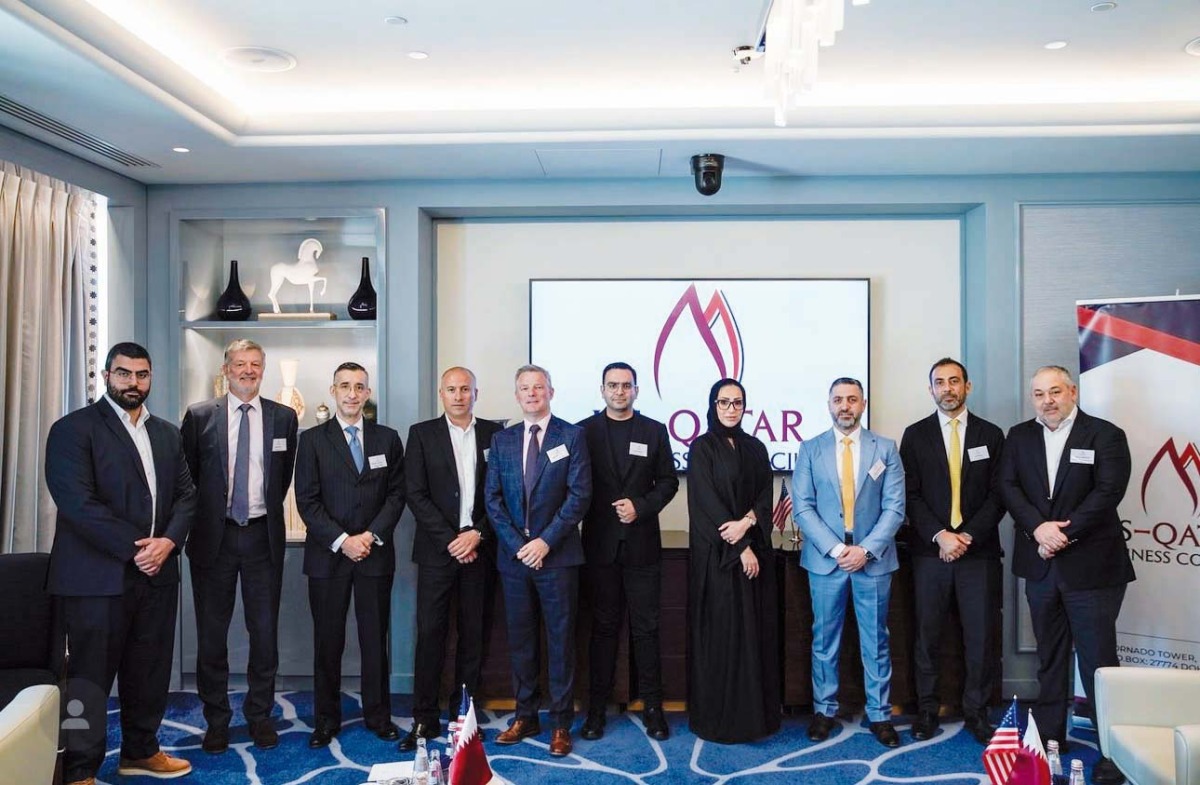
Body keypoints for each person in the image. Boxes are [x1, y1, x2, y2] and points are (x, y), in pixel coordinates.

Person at [46, 342, 197, 785]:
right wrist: (139, 550)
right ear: (106, 376)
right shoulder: (73, 430)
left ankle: (141, 751)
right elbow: (77, 503)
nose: (134, 382)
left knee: (149, 671)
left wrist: (168, 541)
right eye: (124, 373)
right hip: (96, 578)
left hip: (157, 574)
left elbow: (188, 495)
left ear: (151, 378)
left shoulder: (167, 433)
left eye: (142, 374)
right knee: (88, 681)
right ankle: (77, 770)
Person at [999, 365, 1133, 785]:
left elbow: (1108, 492)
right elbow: (1007, 487)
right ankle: (1051, 737)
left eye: (1055, 391)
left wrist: (1062, 534)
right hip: (1040, 565)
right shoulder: (1018, 436)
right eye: (1038, 394)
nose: (1047, 401)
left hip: (1091, 566)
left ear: (1072, 392)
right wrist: (1038, 529)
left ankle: (1113, 751)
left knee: (1098, 664)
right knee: (1050, 657)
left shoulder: (1105, 435)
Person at [180, 338, 299, 752]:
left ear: (262, 369)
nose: (248, 371)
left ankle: (260, 715)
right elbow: (188, 480)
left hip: (263, 538)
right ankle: (216, 719)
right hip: (215, 538)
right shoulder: (198, 417)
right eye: (240, 364)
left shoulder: (284, 418)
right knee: (212, 636)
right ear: (226, 369)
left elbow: (280, 481)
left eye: (255, 364)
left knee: (263, 633)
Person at [295, 362, 406, 748]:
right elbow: (307, 501)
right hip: (329, 557)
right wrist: (344, 539)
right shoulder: (311, 440)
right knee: (328, 641)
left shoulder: (387, 439)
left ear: (367, 392)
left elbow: (396, 495)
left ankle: (379, 716)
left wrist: (370, 536)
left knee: (375, 640)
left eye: (359, 386)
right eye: (345, 386)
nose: (352, 393)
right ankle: (325, 720)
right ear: (333, 390)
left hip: (374, 556)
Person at [484, 364, 592, 757]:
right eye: (524, 388)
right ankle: (525, 715)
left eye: (539, 387)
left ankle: (561, 723)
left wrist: (544, 542)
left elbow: (579, 496)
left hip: (558, 558)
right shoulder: (502, 440)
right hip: (514, 561)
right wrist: (519, 546)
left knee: (561, 642)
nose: (532, 393)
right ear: (516, 395)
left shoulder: (573, 436)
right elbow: (492, 501)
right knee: (522, 641)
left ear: (551, 391)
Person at [792, 377, 905, 748]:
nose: (845, 406)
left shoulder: (885, 449)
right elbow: (803, 507)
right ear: (829, 404)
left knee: (876, 641)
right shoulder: (810, 449)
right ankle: (824, 710)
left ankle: (879, 715)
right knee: (824, 641)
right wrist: (838, 550)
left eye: (852, 399)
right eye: (838, 399)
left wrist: (865, 550)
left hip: (872, 560)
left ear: (863, 403)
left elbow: (894, 508)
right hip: (828, 561)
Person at [899, 358, 1005, 744]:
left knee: (979, 638)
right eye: (940, 382)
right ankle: (927, 711)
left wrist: (966, 537)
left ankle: (977, 713)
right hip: (931, 555)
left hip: (978, 555)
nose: (948, 388)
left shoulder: (991, 435)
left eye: (954, 381)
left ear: (967, 386)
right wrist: (941, 535)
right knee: (926, 637)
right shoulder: (915, 435)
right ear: (931, 390)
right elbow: (909, 494)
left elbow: (999, 495)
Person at [401, 366, 503, 751]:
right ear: (440, 393)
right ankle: (423, 720)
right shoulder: (421, 434)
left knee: (473, 637)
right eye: (452, 389)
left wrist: (476, 533)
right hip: (437, 552)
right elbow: (415, 493)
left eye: (466, 389)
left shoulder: (497, 434)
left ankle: (464, 719)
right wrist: (452, 540)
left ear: (477, 393)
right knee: (430, 636)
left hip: (480, 549)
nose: (459, 396)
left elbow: (502, 492)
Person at [578, 362, 679, 741]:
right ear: (602, 390)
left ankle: (653, 709)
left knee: (647, 630)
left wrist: (641, 505)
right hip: (599, 547)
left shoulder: (654, 431)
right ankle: (595, 711)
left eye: (626, 385)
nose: (619, 391)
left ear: (637, 390)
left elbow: (668, 482)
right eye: (612, 385)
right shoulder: (583, 432)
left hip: (642, 546)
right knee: (602, 630)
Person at [685, 378, 779, 743]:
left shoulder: (756, 447)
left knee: (753, 637)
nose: (730, 409)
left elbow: (763, 495)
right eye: (723, 402)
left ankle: (756, 719)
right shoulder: (701, 448)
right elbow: (707, 506)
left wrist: (749, 524)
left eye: (737, 403)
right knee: (723, 639)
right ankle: (720, 721)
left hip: (754, 553)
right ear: (713, 405)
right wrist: (741, 548)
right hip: (718, 562)